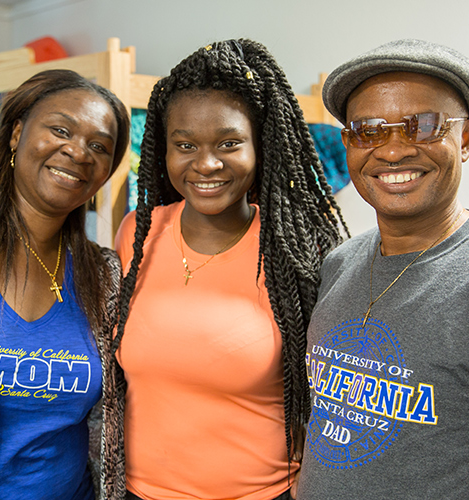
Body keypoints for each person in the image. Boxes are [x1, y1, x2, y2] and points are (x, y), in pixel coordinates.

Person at [113, 39, 345, 500]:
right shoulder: (135, 236)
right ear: (164, 149)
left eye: (229, 143)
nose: (206, 163)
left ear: (261, 146)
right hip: (138, 492)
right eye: (185, 145)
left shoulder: (297, 253)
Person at [297, 39, 469, 500]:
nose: (392, 152)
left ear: (465, 139)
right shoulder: (339, 263)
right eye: (368, 130)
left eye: (423, 126)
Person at [0, 69, 130, 500]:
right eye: (61, 129)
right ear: (17, 133)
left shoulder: (105, 277)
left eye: (99, 146)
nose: (78, 151)